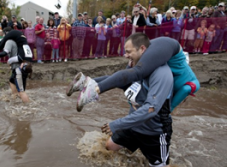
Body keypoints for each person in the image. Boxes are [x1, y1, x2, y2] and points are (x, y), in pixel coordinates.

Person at [66, 33, 200, 112]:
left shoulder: (169, 80)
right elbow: (182, 93)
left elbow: (134, 90)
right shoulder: (191, 84)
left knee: (127, 76)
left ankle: (86, 81)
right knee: (136, 73)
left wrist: (134, 107)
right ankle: (94, 89)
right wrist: (167, 111)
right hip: (167, 46)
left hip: (159, 50)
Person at [101, 48, 174, 167]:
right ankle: (135, 149)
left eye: (129, 52)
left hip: (154, 132)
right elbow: (115, 80)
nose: (125, 55)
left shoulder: (161, 73)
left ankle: (148, 152)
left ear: (142, 50)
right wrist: (89, 85)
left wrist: (116, 124)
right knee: (110, 146)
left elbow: (150, 109)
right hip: (133, 125)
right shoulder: (135, 70)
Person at [0, 38, 32, 103]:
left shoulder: (9, 42)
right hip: (19, 68)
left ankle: (29, 108)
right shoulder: (17, 42)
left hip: (18, 69)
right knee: (11, 81)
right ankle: (15, 102)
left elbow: (4, 53)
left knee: (21, 92)